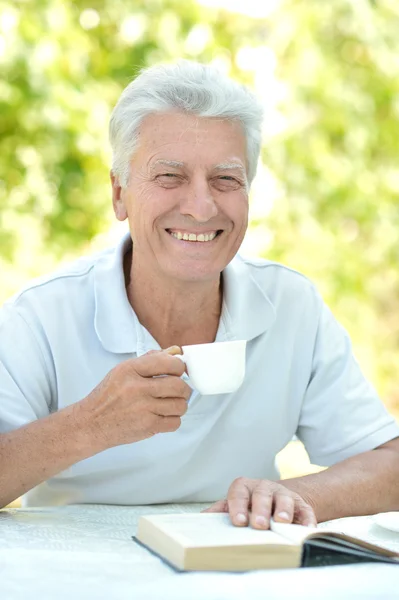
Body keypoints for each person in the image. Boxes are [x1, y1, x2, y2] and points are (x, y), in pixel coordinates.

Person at [0, 60, 398, 529]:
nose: (200, 206)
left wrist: (293, 495)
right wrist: (91, 424)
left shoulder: (291, 304)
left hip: (236, 567)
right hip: (80, 571)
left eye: (226, 179)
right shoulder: (43, 315)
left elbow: (388, 465)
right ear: (119, 194)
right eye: (170, 176)